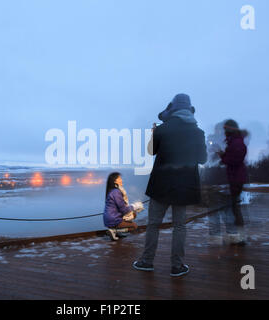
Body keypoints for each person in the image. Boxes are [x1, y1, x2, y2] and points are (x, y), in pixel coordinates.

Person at [133, 93, 207, 277]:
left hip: (161, 185)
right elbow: (202, 159)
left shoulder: (163, 129)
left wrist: (153, 134)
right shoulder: (198, 132)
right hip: (184, 186)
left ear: (173, 108)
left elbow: (151, 151)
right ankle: (177, 266)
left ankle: (146, 261)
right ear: (189, 110)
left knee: (153, 224)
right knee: (180, 226)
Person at [215, 119, 248, 245]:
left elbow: (234, 160)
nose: (224, 132)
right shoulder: (235, 141)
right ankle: (237, 236)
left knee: (234, 208)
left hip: (236, 178)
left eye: (225, 130)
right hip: (235, 177)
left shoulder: (236, 142)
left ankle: (239, 237)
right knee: (234, 208)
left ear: (229, 130)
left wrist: (222, 156)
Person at [103, 172, 144, 241]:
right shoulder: (116, 192)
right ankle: (114, 231)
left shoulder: (112, 191)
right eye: (119, 178)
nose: (121, 180)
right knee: (134, 226)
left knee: (134, 214)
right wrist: (135, 206)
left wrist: (133, 209)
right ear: (115, 181)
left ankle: (116, 232)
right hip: (113, 220)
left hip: (109, 218)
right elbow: (124, 210)